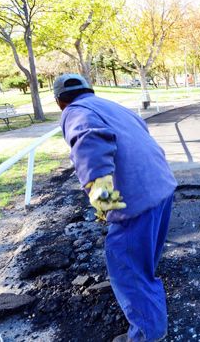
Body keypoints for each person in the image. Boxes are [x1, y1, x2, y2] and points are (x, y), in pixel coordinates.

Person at [54, 73, 176, 342]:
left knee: (129, 271)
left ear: (59, 102)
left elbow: (91, 149)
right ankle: (150, 321)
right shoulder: (113, 106)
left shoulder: (76, 113)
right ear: (90, 90)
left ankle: (147, 335)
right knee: (142, 264)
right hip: (161, 187)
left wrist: (104, 202)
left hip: (136, 201)